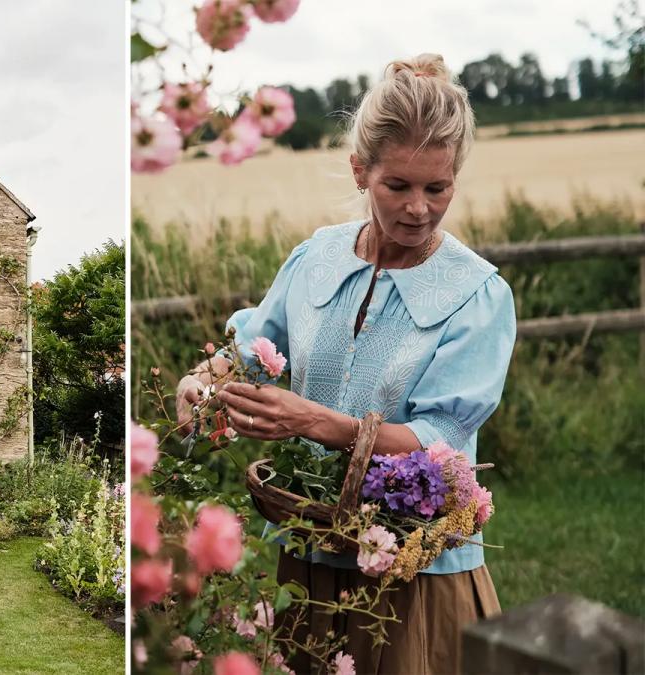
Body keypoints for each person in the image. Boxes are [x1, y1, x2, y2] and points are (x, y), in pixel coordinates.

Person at [176, 54, 516, 674]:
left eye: (437, 188)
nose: (419, 208)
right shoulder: (317, 258)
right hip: (308, 553)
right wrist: (200, 383)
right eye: (399, 186)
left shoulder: (477, 293)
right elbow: (251, 350)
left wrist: (310, 420)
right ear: (361, 172)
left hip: (414, 570)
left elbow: (439, 439)